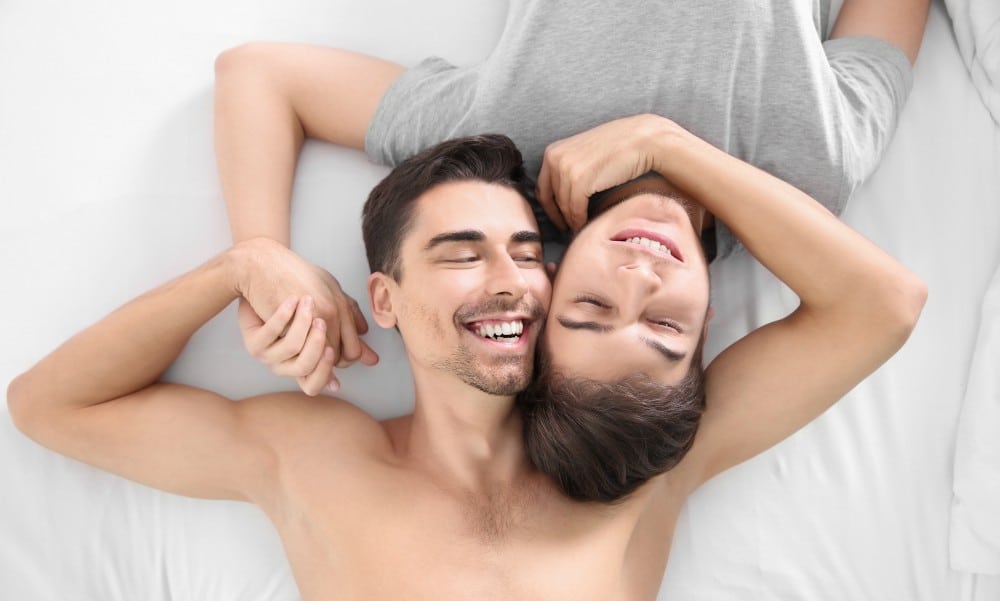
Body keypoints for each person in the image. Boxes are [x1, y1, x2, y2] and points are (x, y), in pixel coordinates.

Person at [8, 123, 926, 599]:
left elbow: (882, 304)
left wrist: (673, 148)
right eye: (459, 254)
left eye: (532, 255)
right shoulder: (313, 457)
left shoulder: (641, 449)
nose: (510, 282)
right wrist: (241, 264)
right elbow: (50, 406)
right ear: (387, 301)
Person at [212, 0, 929, 390]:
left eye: (591, 309)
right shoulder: (811, 172)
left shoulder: (505, 145)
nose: (639, 278)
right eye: (665, 327)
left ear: (548, 284)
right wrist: (665, 143)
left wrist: (264, 257)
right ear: (707, 320)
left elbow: (259, 76)